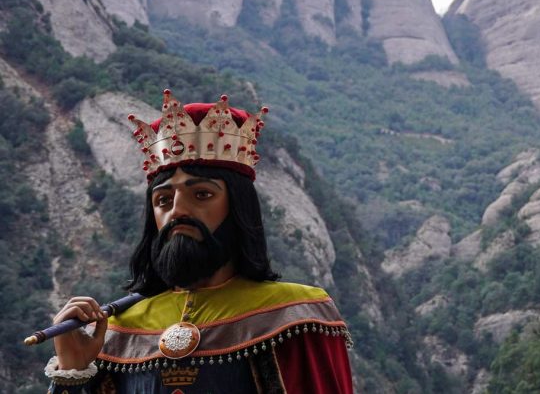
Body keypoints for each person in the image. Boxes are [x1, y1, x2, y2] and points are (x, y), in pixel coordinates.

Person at [44, 90, 354, 393]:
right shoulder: (113, 332)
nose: (177, 210)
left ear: (238, 207)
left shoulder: (294, 315)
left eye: (202, 194)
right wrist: (73, 370)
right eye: (163, 200)